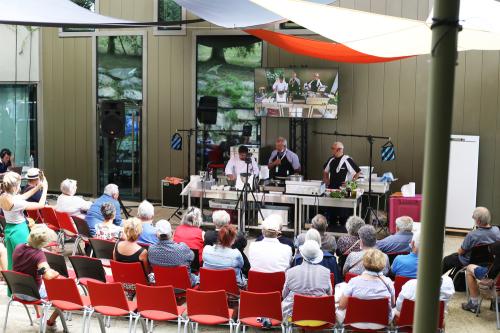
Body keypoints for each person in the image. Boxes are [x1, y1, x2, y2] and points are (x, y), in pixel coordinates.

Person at [12, 224, 61, 330]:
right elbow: (47, 275)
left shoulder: (18, 247)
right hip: (32, 294)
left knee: (35, 280)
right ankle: (50, 323)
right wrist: (56, 273)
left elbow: (33, 263)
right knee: (65, 293)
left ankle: (40, 316)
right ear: (44, 243)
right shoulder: (39, 255)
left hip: (17, 291)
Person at [336, 249, 395, 329]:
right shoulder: (388, 282)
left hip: (355, 322)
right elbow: (392, 304)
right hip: (381, 323)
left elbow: (342, 306)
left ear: (364, 262)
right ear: (383, 263)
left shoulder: (354, 281)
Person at [0, 172, 48, 270]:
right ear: (14, 188)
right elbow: (41, 205)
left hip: (9, 229)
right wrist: (45, 188)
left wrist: (38, 186)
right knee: (24, 262)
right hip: (19, 230)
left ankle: (12, 283)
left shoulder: (4, 196)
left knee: (12, 262)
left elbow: (23, 196)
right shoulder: (17, 202)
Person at [282, 240, 332, 320]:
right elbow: (329, 294)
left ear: (302, 255)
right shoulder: (326, 272)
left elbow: (284, 295)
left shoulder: (290, 272)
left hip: (293, 315)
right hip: (319, 315)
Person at [442, 207, 500, 274]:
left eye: (474, 218)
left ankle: (434, 279)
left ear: (478, 221)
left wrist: (459, 250)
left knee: (446, 260)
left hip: (469, 261)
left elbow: (461, 252)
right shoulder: (497, 230)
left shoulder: (472, 235)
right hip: (489, 261)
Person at [148, 220, 198, 286]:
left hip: (162, 284)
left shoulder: (151, 249)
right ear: (172, 232)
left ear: (156, 235)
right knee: (198, 276)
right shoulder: (182, 248)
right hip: (183, 285)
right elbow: (192, 257)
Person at [322, 142, 361, 226]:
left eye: (333, 148)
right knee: (331, 213)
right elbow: (325, 171)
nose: (331, 150)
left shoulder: (347, 160)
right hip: (332, 189)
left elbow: (358, 172)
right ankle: (332, 227)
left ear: (339, 149)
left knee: (344, 214)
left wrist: (350, 183)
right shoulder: (331, 159)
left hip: (345, 191)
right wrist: (326, 179)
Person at [204, 210, 249, 276]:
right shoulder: (238, 236)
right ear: (228, 222)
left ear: (213, 222)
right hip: (233, 273)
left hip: (212, 270)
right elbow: (243, 245)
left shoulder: (208, 236)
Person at [113, 218, 150, 298]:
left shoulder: (116, 246)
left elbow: (116, 265)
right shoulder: (142, 252)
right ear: (139, 232)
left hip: (122, 282)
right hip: (138, 285)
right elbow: (146, 272)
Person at [461, 240, 500, 312]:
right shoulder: (496, 231)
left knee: (469, 268)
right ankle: (497, 303)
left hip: (494, 285)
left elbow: (490, 275)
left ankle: (473, 303)